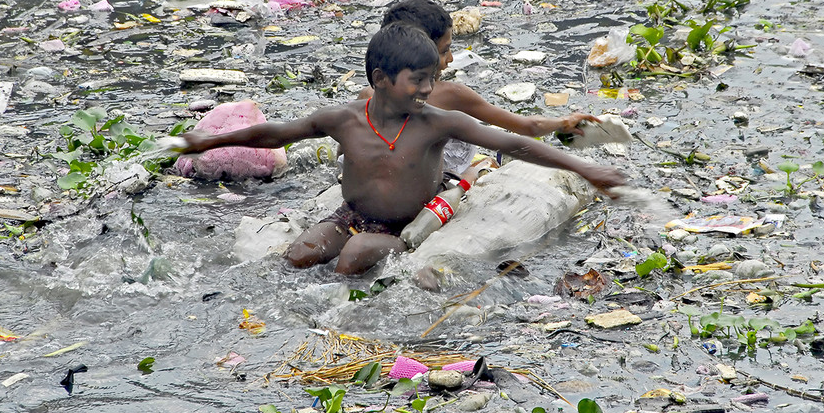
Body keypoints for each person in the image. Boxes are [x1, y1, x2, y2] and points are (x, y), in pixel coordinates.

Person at [178, 23, 626, 276]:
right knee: (299, 255)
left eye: (432, 78)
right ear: (380, 80)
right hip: (349, 217)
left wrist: (585, 169)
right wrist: (212, 141)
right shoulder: (345, 119)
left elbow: (512, 142)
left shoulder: (438, 122)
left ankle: (339, 329)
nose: (428, 88)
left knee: (352, 260)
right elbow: (277, 134)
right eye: (418, 80)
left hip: (406, 222)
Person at [360, 0, 601, 173]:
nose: (451, 59)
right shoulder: (451, 95)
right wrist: (562, 123)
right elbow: (526, 127)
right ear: (423, 53)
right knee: (492, 161)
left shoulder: (367, 96)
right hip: (448, 179)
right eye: (445, 51)